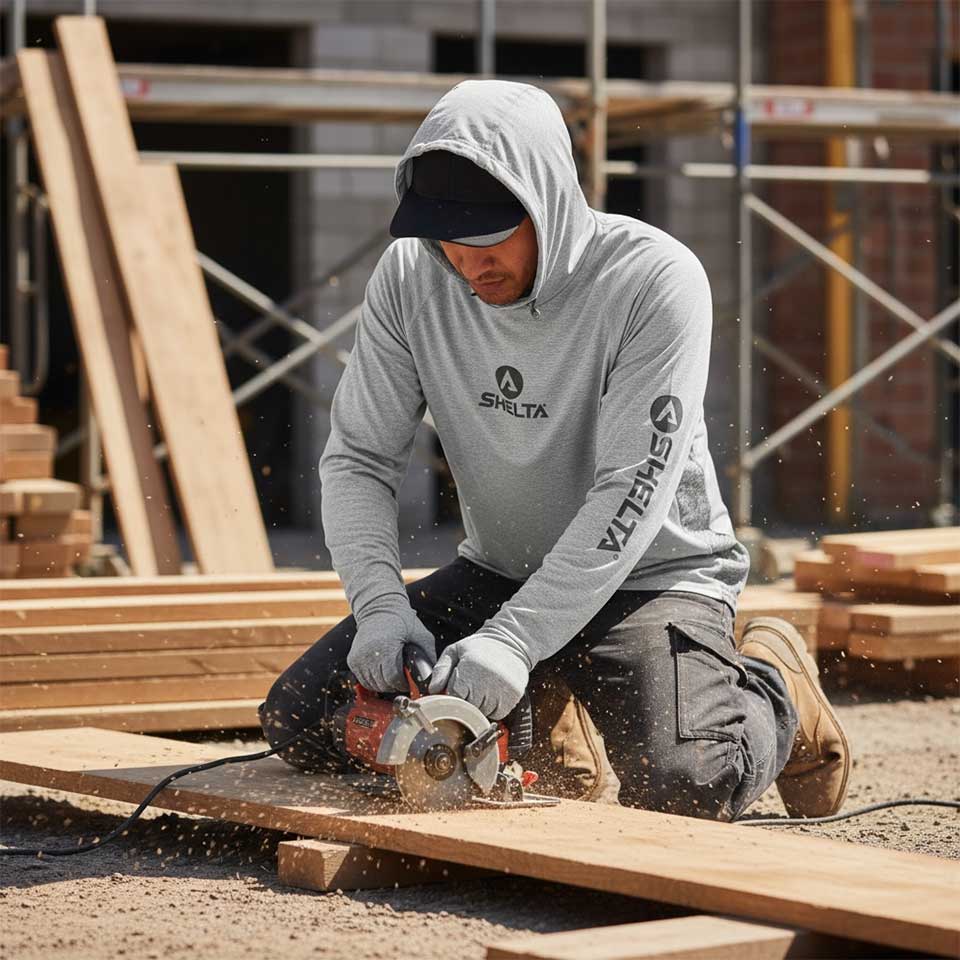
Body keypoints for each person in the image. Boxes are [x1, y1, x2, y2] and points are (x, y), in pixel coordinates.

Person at [260, 80, 850, 821]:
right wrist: (380, 610)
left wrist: (512, 640)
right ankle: (548, 720)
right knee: (304, 721)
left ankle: (773, 681)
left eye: (488, 240)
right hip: (501, 570)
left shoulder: (652, 281)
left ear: (547, 200)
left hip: (649, 577)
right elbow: (359, 460)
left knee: (686, 783)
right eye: (448, 241)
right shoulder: (412, 277)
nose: (468, 265)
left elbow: (630, 487)